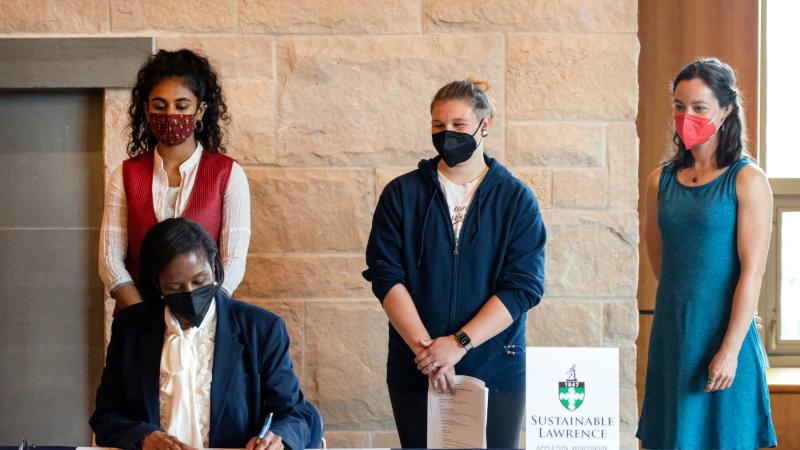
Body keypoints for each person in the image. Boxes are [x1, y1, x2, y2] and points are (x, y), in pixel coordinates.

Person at [363, 78, 546, 448]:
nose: (447, 134)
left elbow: (523, 286)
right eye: (438, 126)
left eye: (458, 126)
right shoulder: (402, 194)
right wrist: (427, 352)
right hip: (417, 367)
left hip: (495, 368)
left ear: (485, 125)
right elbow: (386, 275)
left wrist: (459, 344)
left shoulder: (516, 199)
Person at [637, 58, 777, 449]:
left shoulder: (748, 179)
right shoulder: (658, 181)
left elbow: (753, 272)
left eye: (700, 107)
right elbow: (662, 266)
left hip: (724, 337)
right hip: (674, 336)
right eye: (680, 106)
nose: (687, 116)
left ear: (726, 109)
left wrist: (730, 349)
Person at [90, 218, 321, 450]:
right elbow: (106, 415)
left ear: (213, 265)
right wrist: (143, 437)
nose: (190, 293)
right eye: (175, 288)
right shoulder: (131, 328)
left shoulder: (261, 328)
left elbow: (295, 414)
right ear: (157, 284)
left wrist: (277, 439)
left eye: (200, 280)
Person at [99, 49, 250, 315]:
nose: (170, 114)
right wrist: (142, 315)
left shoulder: (228, 174)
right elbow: (109, 259)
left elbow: (233, 261)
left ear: (200, 110)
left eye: (181, 106)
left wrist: (202, 313)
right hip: (138, 318)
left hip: (209, 318)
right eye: (160, 105)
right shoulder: (125, 174)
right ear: (146, 109)